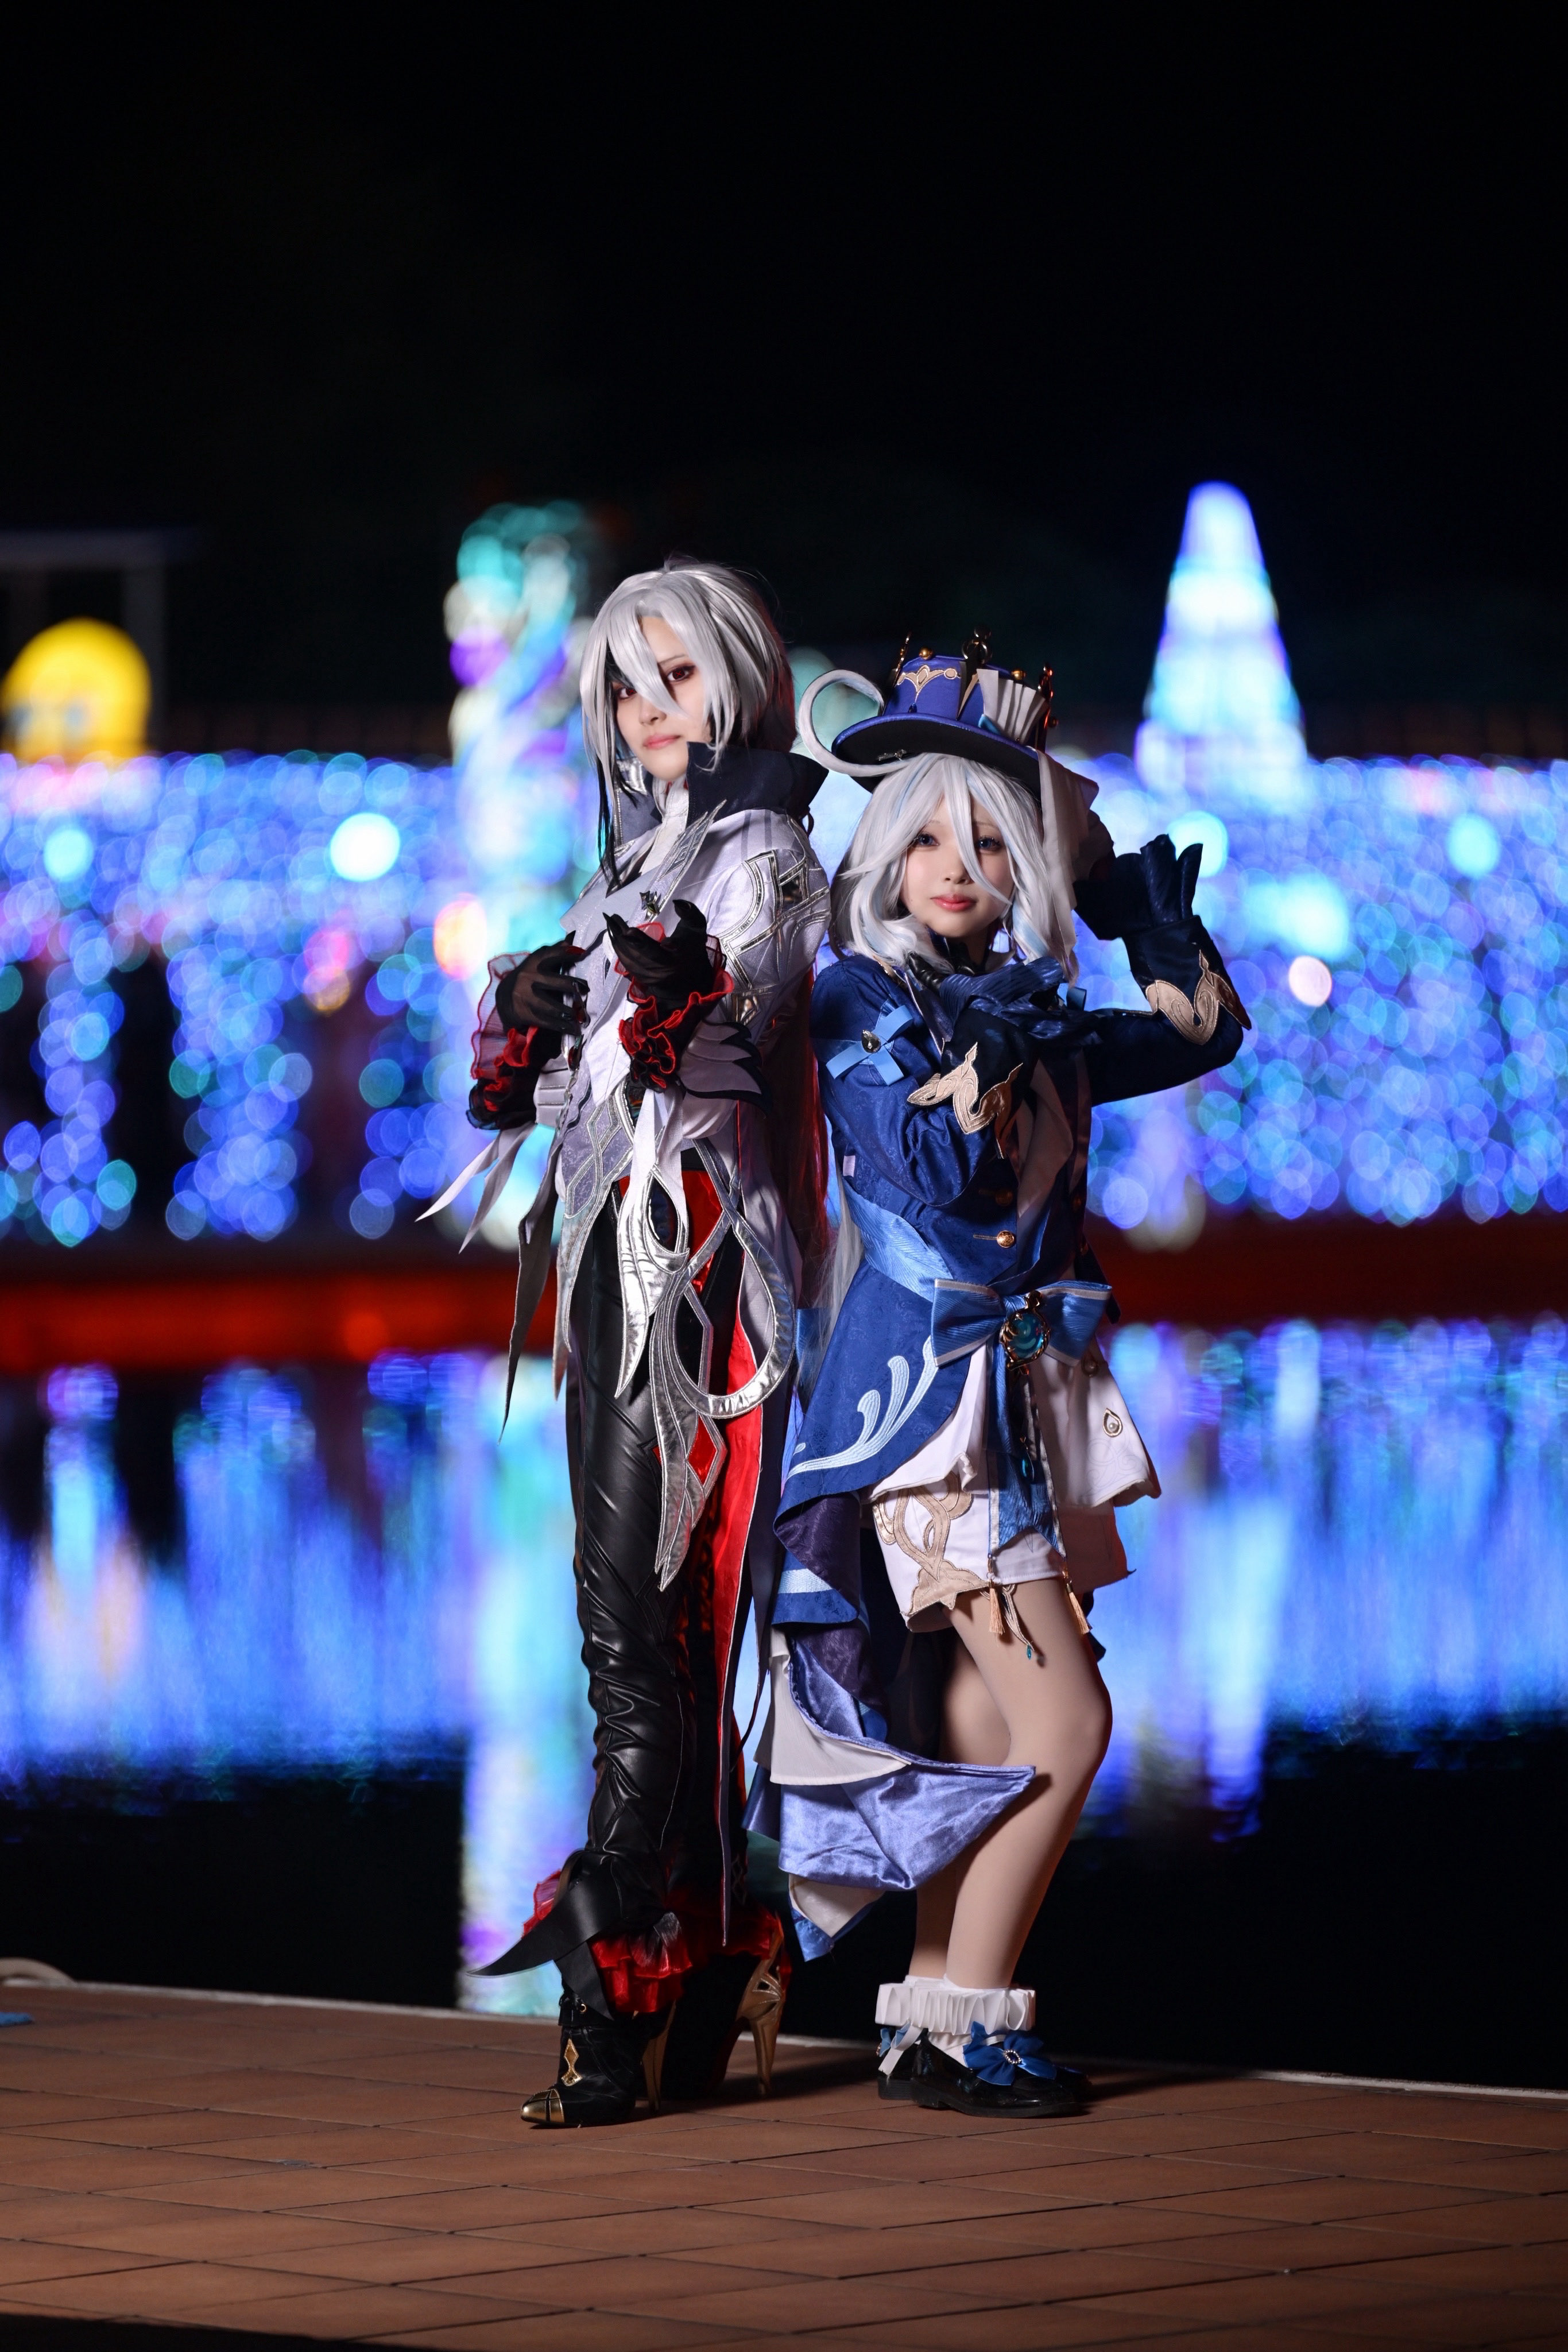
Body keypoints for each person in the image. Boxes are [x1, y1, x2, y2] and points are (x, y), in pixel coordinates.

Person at [746, 636, 1249, 2117]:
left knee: (983, 1729)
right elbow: (928, 1169)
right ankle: (970, 2021)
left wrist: (1127, 909)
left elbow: (1203, 1035)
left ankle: (924, 2018)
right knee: (1071, 1726)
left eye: (989, 838)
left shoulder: (1023, 994)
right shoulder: (857, 998)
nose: (958, 866)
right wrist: (997, 1055)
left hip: (1023, 1396)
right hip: (927, 1413)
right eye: (929, 838)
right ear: (886, 851)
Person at [451, 560, 830, 2124]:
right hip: (614, 1262)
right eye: (625, 683)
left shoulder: (774, 852)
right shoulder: (638, 854)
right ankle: (670, 1965)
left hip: (704, 1274)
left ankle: (611, 2000)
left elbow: (736, 1056)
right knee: (631, 1629)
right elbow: (568, 1100)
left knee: (651, 1633)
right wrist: (535, 1016)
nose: (645, 708)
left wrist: (663, 1002)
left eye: (675, 676)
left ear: (737, 677)